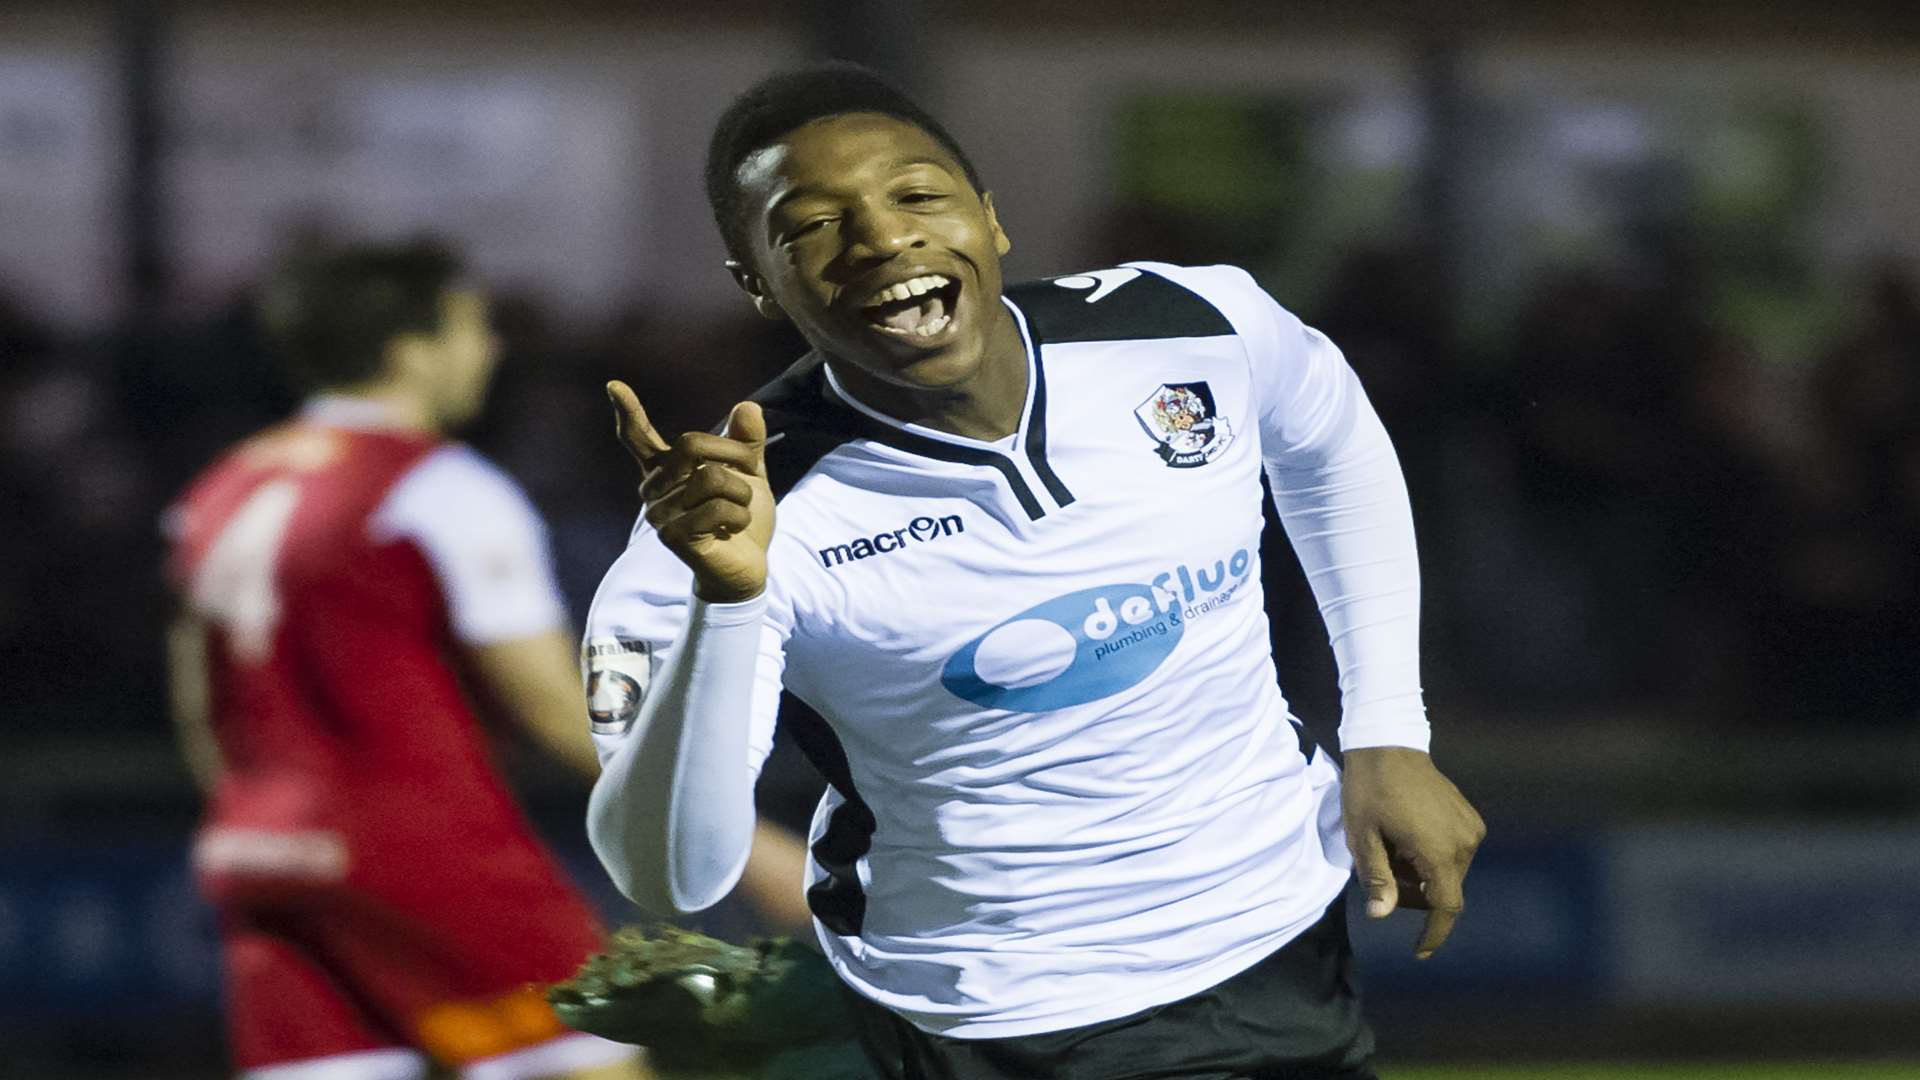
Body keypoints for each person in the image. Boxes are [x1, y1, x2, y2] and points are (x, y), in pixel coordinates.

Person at [583, 66, 1485, 1080]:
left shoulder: (1190, 325)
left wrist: (1388, 733)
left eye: (918, 195)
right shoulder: (722, 522)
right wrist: (727, 601)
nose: (884, 239)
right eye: (812, 228)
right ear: (755, 281)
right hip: (991, 1008)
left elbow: (1332, 440)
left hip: (1278, 935)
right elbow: (670, 873)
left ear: (991, 219)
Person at [164, 241, 660, 1080]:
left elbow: (201, 706)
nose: (490, 349)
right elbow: (555, 707)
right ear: (409, 350)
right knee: (594, 1064)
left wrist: (266, 819)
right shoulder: (441, 487)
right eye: (471, 327)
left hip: (255, 854)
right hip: (416, 846)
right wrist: (740, 841)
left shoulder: (222, 486)